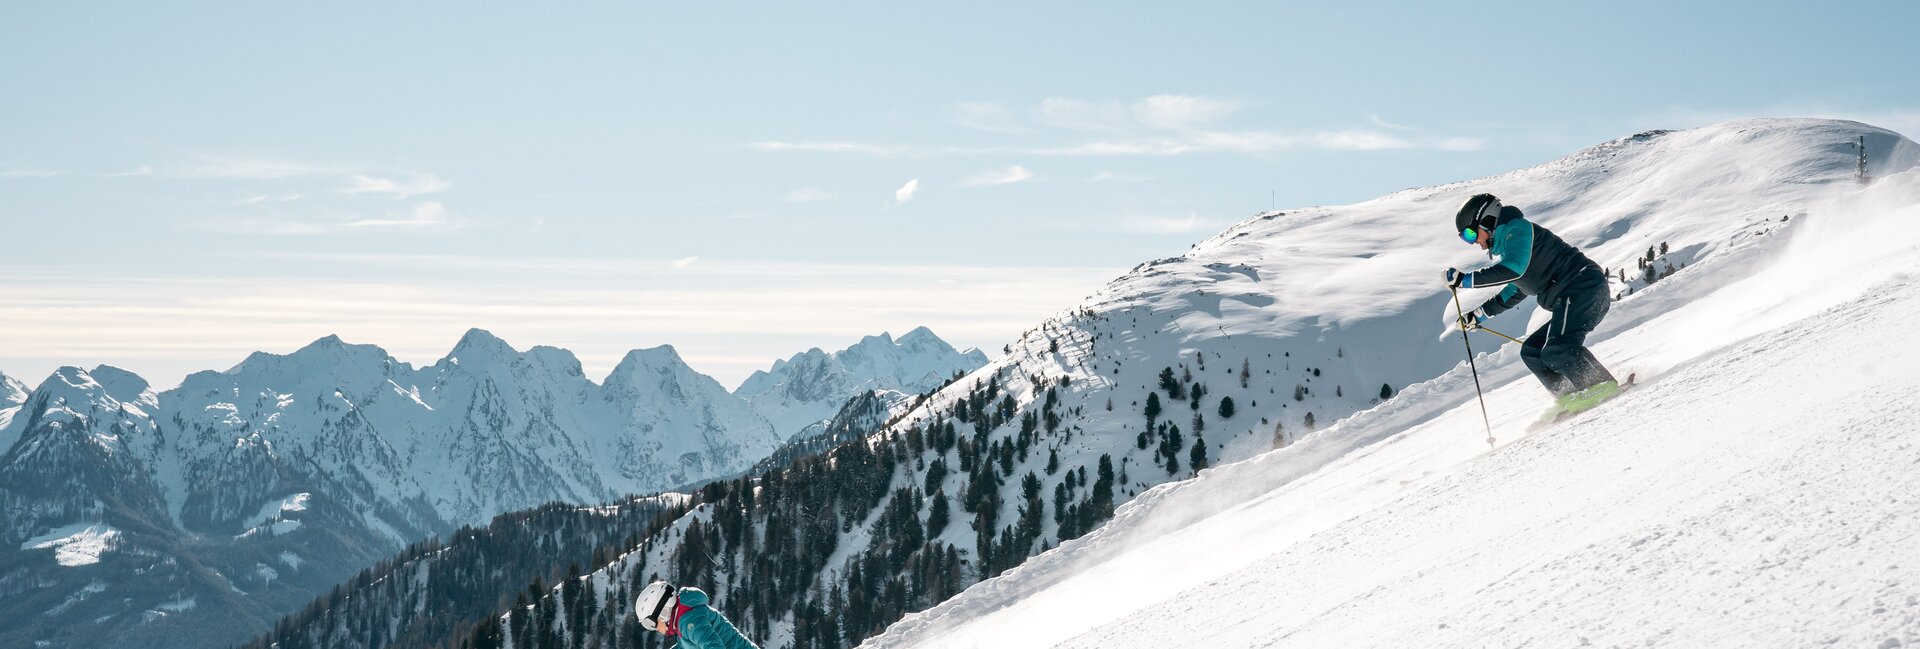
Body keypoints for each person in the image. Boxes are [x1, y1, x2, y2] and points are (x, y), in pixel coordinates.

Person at [1444, 193, 1620, 415]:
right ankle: (1569, 396)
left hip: (1582, 287)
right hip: (1574, 295)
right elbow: (1516, 288)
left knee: (1558, 349)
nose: (1475, 243)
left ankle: (1599, 385)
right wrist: (1478, 315)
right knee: (1532, 351)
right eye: (1466, 239)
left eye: (1471, 234)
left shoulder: (1517, 230)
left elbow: (1514, 269)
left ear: (1487, 220)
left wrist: (1465, 280)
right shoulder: (1512, 248)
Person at [636, 581, 759, 648]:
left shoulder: (689, 622)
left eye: (651, 623)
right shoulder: (683, 619)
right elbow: (684, 645)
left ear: (663, 611)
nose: (654, 628)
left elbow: (714, 646)